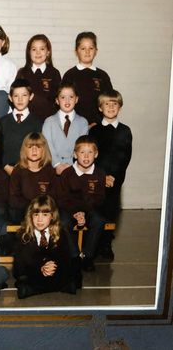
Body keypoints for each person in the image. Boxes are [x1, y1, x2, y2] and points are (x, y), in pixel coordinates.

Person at [89, 90, 132, 260]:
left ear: (120, 108)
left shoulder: (125, 131)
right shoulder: (94, 131)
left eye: (115, 104)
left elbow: (124, 157)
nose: (111, 107)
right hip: (97, 178)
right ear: (100, 108)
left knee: (110, 213)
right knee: (96, 211)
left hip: (115, 180)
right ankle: (95, 245)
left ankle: (106, 244)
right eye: (107, 104)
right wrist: (102, 177)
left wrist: (113, 176)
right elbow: (91, 156)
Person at [13, 194, 81, 299]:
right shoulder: (23, 235)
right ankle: (54, 287)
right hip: (34, 271)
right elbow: (21, 263)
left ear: (52, 215)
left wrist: (51, 266)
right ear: (30, 216)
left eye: (45, 215)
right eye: (36, 214)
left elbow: (64, 257)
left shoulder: (61, 232)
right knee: (23, 277)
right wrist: (41, 266)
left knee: (71, 271)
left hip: (54, 271)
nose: (40, 219)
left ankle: (38, 289)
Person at [57, 136, 106, 272]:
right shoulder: (67, 174)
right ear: (75, 154)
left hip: (90, 209)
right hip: (69, 209)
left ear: (96, 155)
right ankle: (75, 257)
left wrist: (84, 212)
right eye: (82, 152)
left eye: (90, 152)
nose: (86, 156)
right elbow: (62, 199)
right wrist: (76, 213)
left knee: (99, 220)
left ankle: (88, 256)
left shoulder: (99, 174)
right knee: (63, 222)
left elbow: (99, 198)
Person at [62, 31, 113, 127]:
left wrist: (98, 122)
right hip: (75, 126)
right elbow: (63, 102)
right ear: (76, 51)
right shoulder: (69, 75)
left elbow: (109, 102)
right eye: (83, 48)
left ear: (96, 51)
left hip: (99, 126)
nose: (87, 51)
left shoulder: (103, 76)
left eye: (91, 48)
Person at [9, 132, 57, 224]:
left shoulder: (50, 171)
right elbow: (14, 199)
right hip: (23, 212)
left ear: (44, 150)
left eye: (38, 147)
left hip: (45, 211)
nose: (34, 150)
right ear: (24, 150)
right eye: (30, 147)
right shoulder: (18, 171)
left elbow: (53, 197)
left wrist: (41, 209)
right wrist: (33, 208)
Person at [42, 80, 88, 175]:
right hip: (53, 169)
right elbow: (47, 145)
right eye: (63, 97)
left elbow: (82, 147)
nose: (67, 101)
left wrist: (73, 167)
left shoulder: (83, 122)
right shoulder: (49, 122)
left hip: (75, 170)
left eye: (71, 97)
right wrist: (57, 165)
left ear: (76, 99)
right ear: (57, 100)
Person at [0, 79, 43, 175]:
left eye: (24, 95)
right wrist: (6, 166)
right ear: (10, 98)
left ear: (31, 96)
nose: (20, 99)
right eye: (16, 96)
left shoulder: (38, 123)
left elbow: (40, 149)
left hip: (29, 171)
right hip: (6, 171)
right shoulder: (1, 122)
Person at [16, 34, 61, 121]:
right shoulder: (22, 73)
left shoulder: (54, 73)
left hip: (48, 120)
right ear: (29, 52)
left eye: (42, 49)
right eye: (34, 49)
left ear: (48, 52)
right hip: (27, 120)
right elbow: (15, 97)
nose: (38, 52)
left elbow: (58, 100)